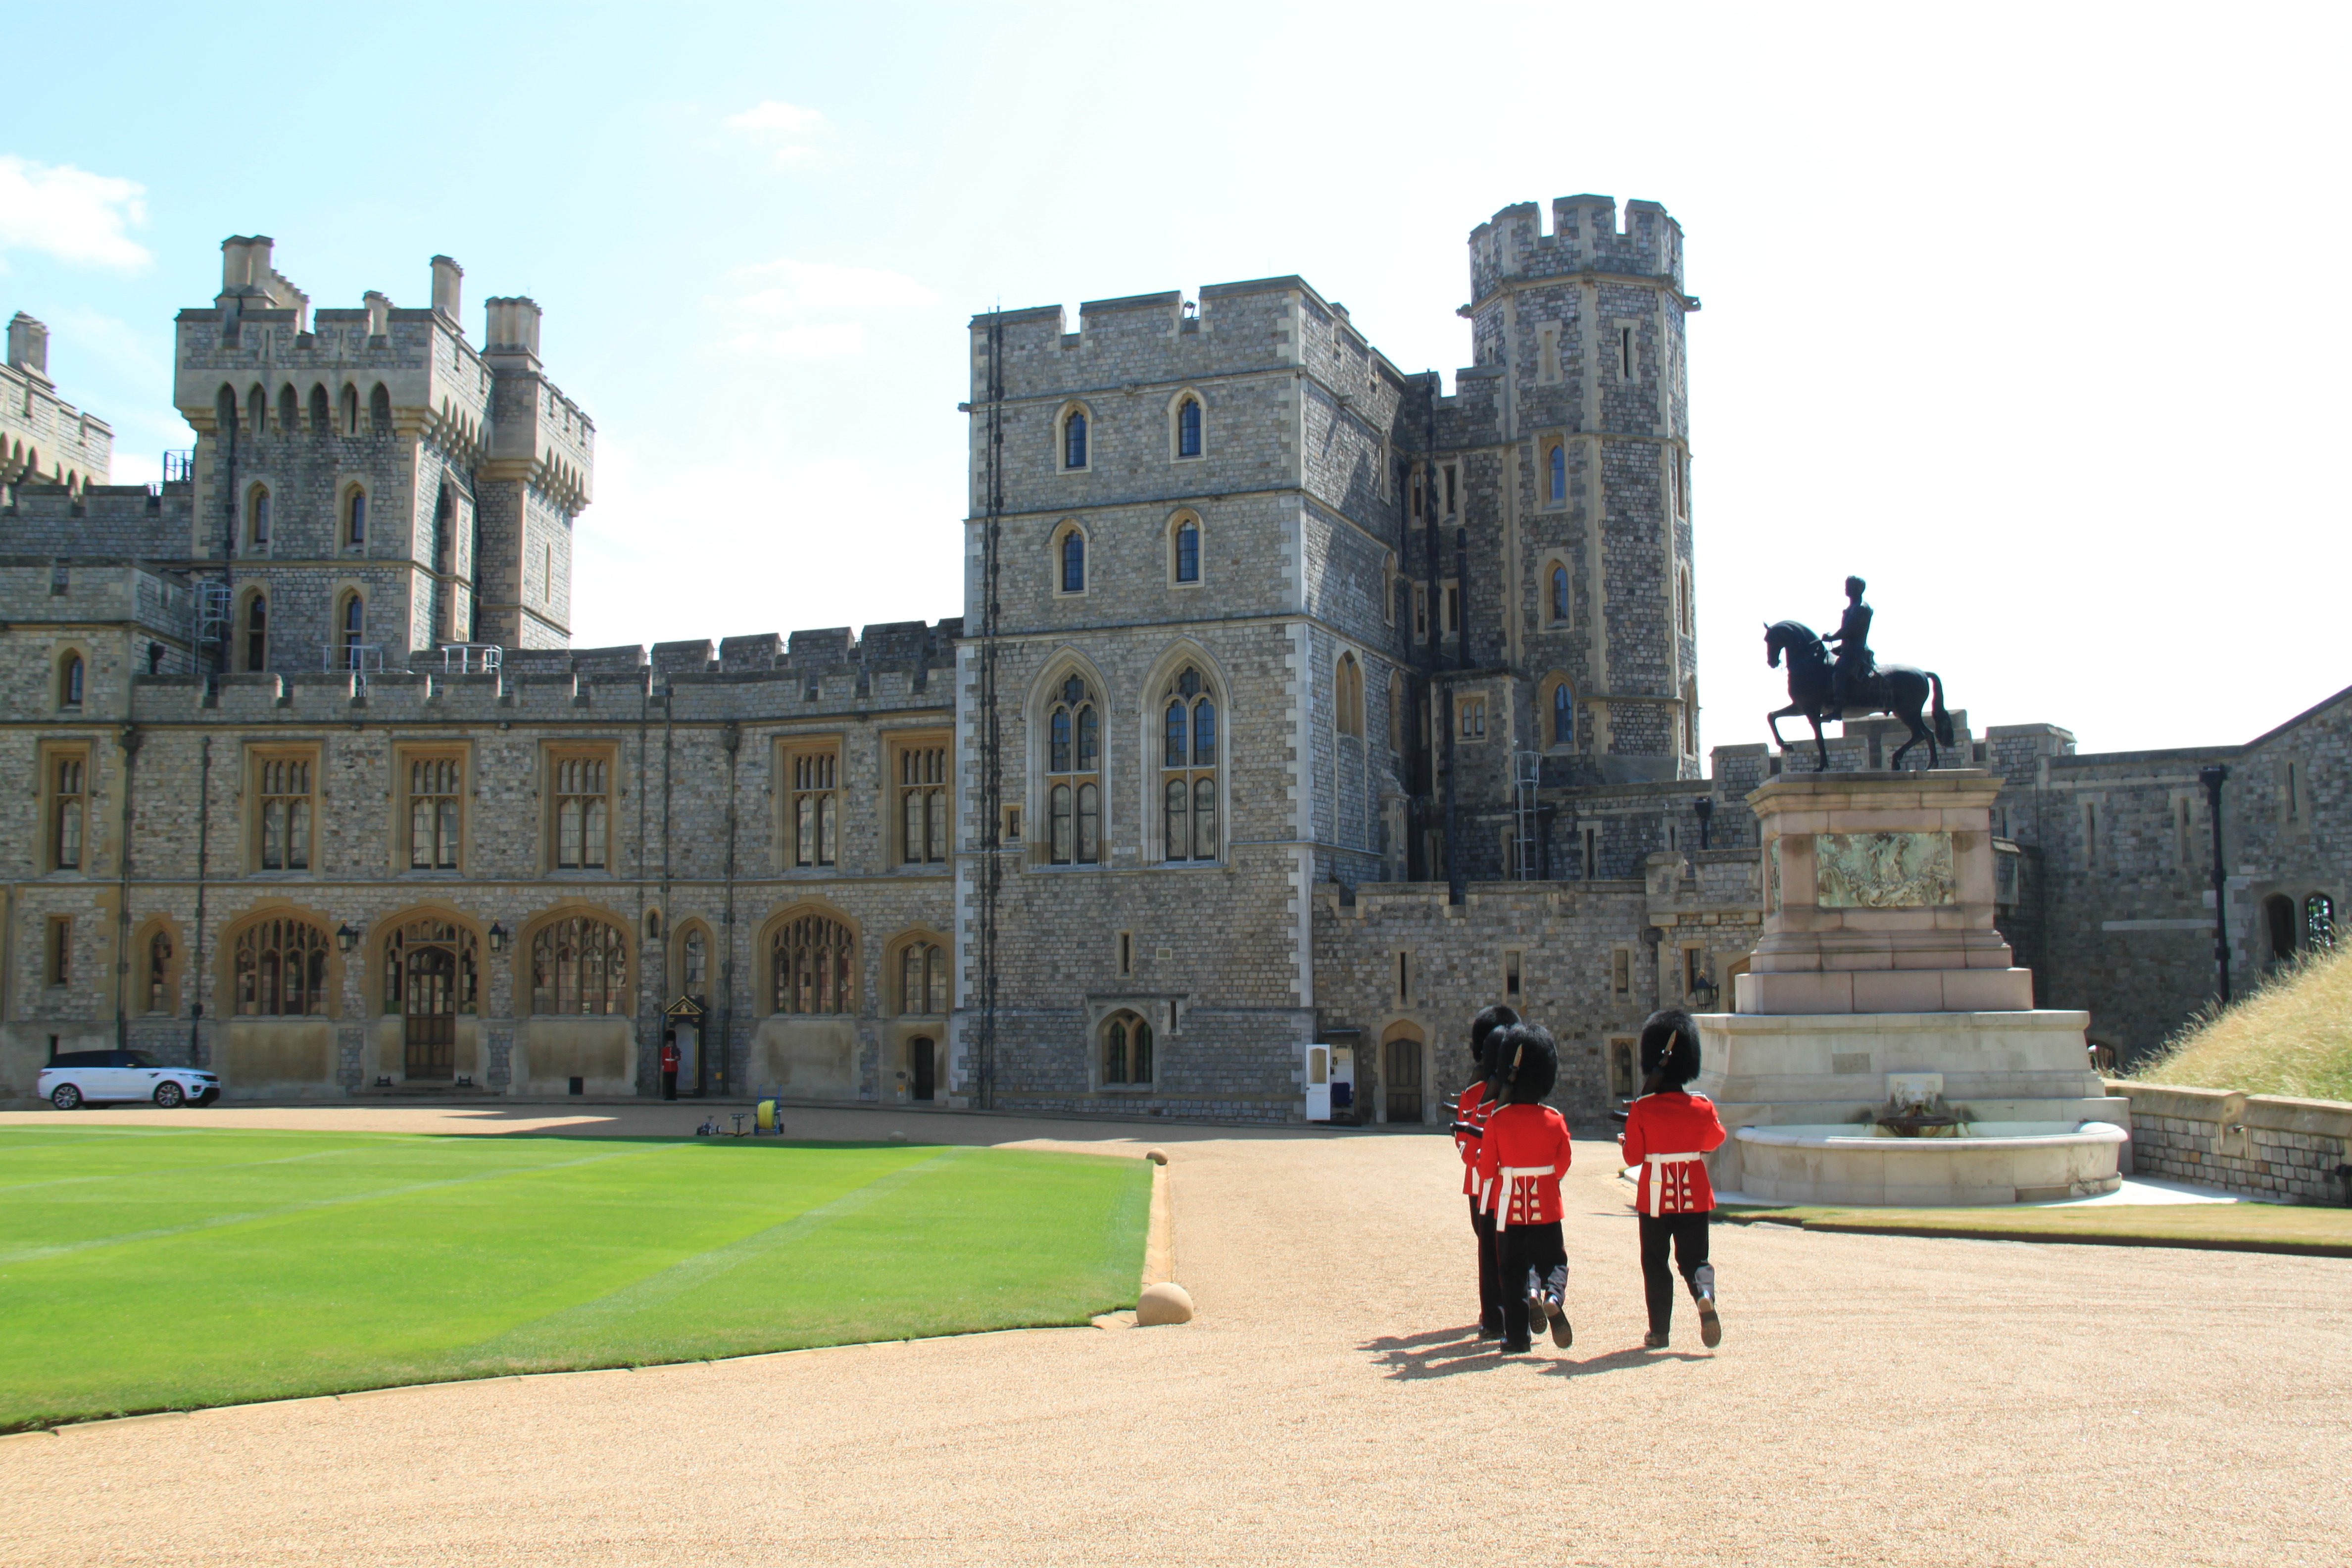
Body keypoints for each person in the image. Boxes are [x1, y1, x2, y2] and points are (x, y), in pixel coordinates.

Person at [1617, 1008, 1728, 1350]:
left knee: (1655, 1261)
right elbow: (1714, 1141)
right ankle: (1704, 1294)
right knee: (1695, 1259)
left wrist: (1628, 1140)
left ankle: (1660, 1332)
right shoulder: (1702, 1107)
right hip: (1694, 1195)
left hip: (1654, 1198)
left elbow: (1634, 1158)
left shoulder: (1643, 1109)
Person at [1473, 1023, 1573, 1354]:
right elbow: (1563, 1165)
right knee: (1554, 1262)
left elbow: (1487, 1170)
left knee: (1512, 1272)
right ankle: (1553, 1296)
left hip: (1509, 1210)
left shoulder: (1498, 1122)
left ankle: (1516, 1339)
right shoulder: (1555, 1119)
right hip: (1546, 1205)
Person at [1450, 1003, 1519, 1338]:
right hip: (1521, 1185)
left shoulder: (1473, 1095)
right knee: (1516, 1247)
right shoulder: (1525, 1097)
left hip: (1482, 1187)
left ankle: (1494, 1315)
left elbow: (1466, 1149)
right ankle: (1521, 1301)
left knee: (1489, 1251)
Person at [1825, 574, 1876, 714]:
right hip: (1846, 649)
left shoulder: (1861, 608)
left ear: (1858, 589)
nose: (1846, 589)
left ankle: (1837, 710)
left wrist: (1831, 638)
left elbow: (1849, 631)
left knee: (1840, 673)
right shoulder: (1852, 607)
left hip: (1856, 651)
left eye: (1849, 586)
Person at [660, 1031, 681, 1101]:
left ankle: (673, 1096)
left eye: (672, 1041)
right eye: (670, 1041)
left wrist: (677, 1058)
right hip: (667, 1068)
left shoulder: (676, 1049)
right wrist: (663, 1067)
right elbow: (663, 1059)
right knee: (668, 1083)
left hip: (674, 1067)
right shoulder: (665, 1049)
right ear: (668, 1042)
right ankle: (668, 1096)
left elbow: (679, 1058)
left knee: (673, 1083)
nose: (671, 1042)